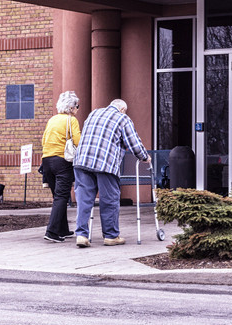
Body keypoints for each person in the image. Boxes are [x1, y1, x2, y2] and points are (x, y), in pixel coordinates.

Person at [73, 98, 150, 248]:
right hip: (105, 163)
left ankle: (81, 235)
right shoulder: (123, 118)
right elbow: (133, 143)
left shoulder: (94, 113)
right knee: (109, 200)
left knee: (84, 199)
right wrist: (145, 157)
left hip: (82, 161)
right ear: (122, 109)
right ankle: (111, 236)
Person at [39, 90, 81, 242]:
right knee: (62, 196)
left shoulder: (52, 120)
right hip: (62, 161)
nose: (77, 109)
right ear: (71, 108)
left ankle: (63, 229)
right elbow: (77, 140)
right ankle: (52, 232)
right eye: (77, 106)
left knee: (58, 196)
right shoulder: (71, 120)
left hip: (47, 160)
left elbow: (44, 139)